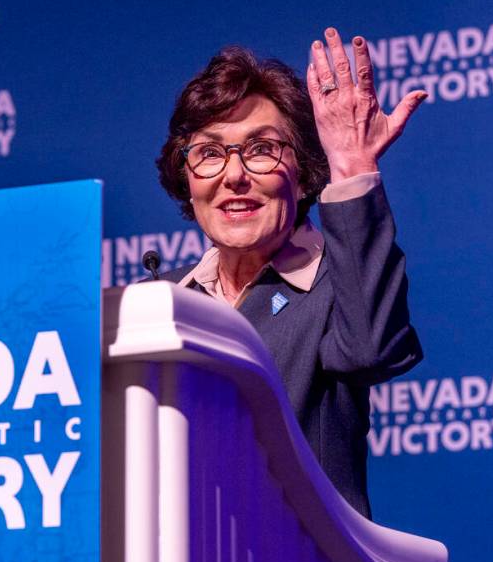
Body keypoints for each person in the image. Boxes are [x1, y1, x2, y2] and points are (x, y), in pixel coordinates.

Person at [155, 28, 427, 517]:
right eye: (210, 153)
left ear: (303, 171)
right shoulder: (156, 301)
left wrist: (353, 168)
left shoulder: (335, 285)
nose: (234, 175)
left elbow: (371, 350)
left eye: (261, 149)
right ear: (186, 178)